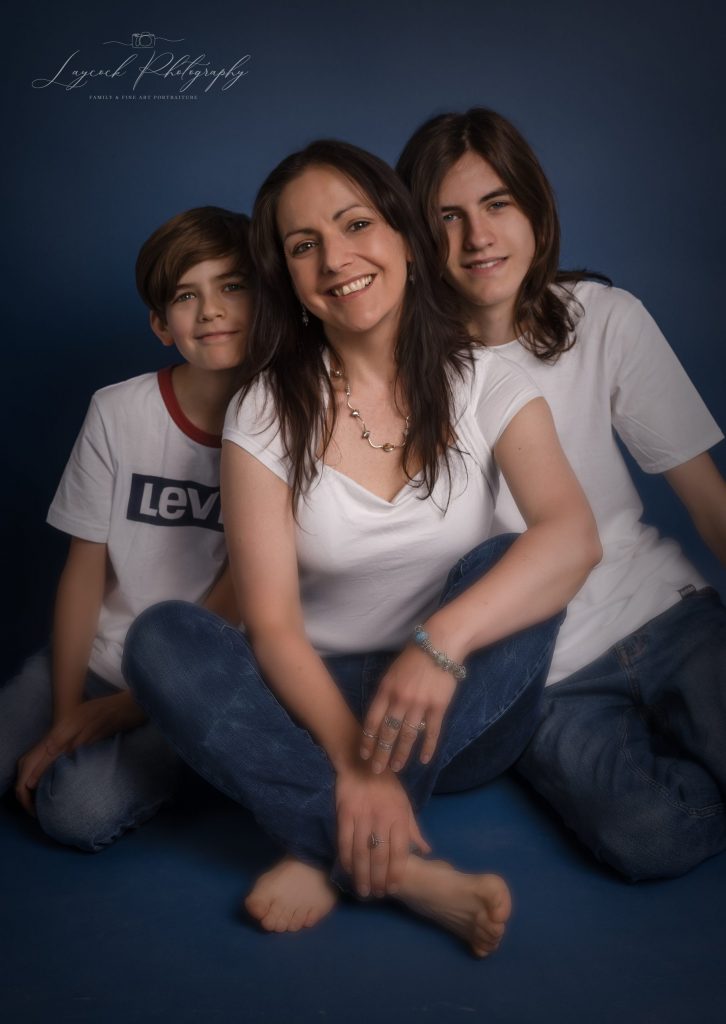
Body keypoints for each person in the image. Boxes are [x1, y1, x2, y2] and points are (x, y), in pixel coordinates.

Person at [123, 140, 600, 956]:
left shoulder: (490, 382)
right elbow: (270, 625)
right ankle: (392, 862)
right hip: (312, 707)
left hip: (461, 709)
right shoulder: (265, 411)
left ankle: (322, 847)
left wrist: (439, 644)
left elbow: (574, 538)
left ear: (406, 237)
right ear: (289, 279)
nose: (336, 259)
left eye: (355, 225)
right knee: (161, 639)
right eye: (304, 246)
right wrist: (354, 766)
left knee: (515, 566)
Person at [397, 107, 726, 881]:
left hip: (666, 611)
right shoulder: (403, 379)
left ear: (536, 212)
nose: (478, 237)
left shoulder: (605, 318)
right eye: (447, 216)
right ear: (415, 235)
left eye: (497, 204)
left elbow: (707, 501)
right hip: (541, 668)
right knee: (649, 839)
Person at [0, 206, 253, 851]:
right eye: (185, 296)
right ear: (160, 325)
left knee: (72, 813)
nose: (211, 311)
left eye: (232, 286)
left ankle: (195, 762)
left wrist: (125, 710)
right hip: (95, 656)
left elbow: (243, 592)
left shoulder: (283, 423)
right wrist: (64, 717)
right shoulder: (118, 411)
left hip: (191, 681)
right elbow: (85, 567)